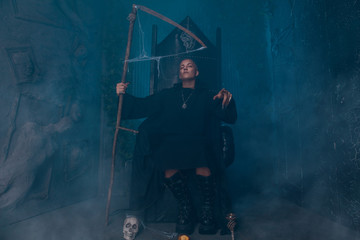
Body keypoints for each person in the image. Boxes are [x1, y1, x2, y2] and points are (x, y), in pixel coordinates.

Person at [116, 58, 237, 235]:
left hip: (197, 141)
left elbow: (229, 117)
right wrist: (122, 95)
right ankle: (185, 206)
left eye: (189, 66)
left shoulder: (207, 95)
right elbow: (141, 106)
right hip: (173, 143)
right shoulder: (167, 95)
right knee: (165, 153)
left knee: (203, 152)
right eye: (181, 66)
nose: (185, 68)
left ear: (196, 72)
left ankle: (207, 209)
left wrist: (226, 100)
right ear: (179, 74)